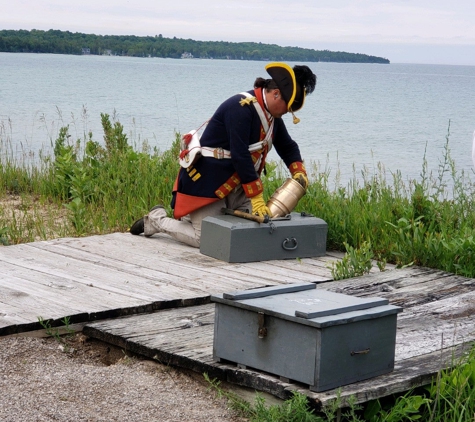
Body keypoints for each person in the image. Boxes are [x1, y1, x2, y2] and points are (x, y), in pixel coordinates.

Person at [130, 62, 317, 247]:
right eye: (288, 107)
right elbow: (240, 154)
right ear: (276, 94)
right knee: (205, 238)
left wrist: (298, 172)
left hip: (236, 188)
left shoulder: (271, 117)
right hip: (208, 186)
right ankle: (156, 220)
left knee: (255, 230)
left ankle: (193, 219)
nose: (286, 113)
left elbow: (288, 146)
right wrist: (256, 197)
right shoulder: (240, 108)